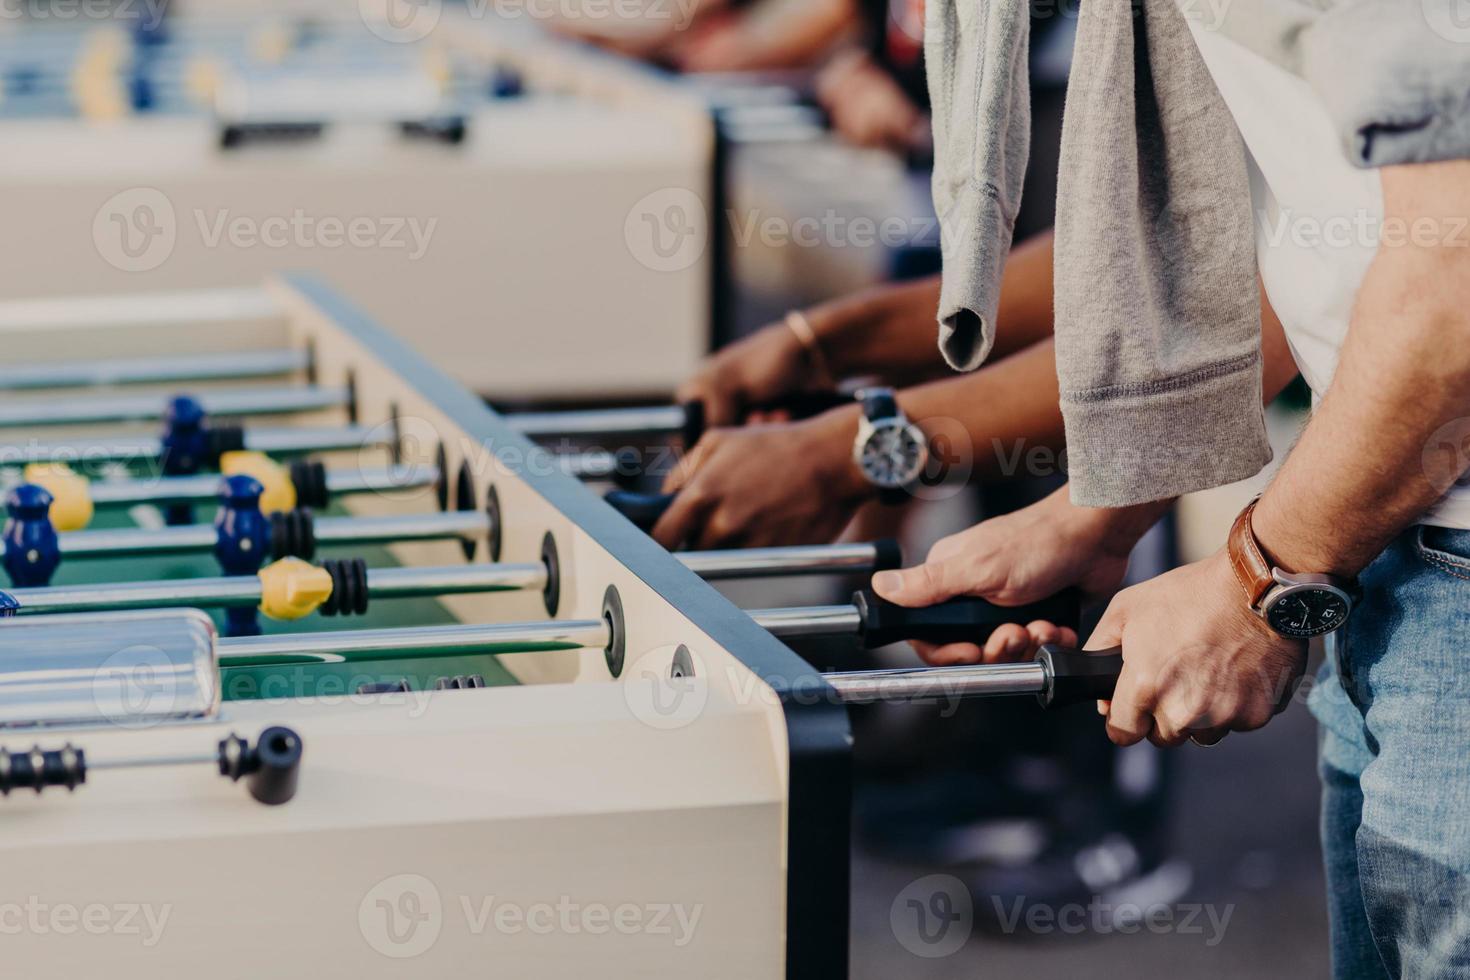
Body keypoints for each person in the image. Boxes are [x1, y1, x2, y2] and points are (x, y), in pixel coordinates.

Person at [869, 3, 1470, 975]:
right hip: (1393, 533)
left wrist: (1261, 584)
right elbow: (1337, 246)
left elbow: (1456, 283)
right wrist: (1103, 508)